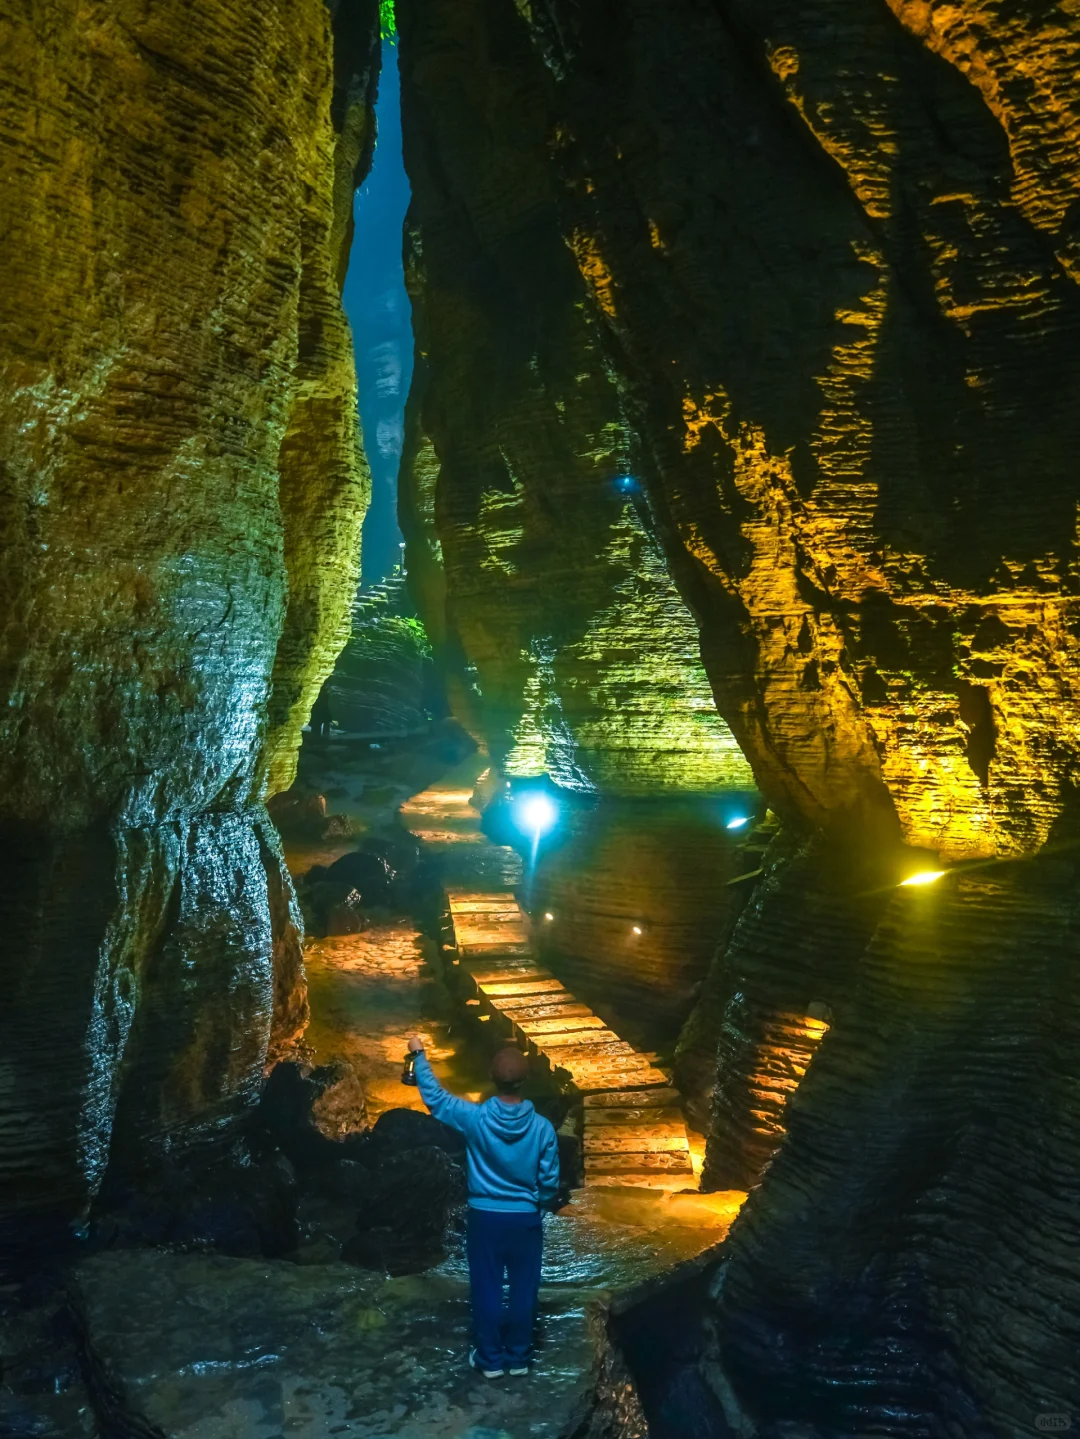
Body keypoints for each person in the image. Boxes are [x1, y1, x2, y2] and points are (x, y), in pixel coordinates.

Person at [407, 1035, 560, 1379]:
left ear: (492, 1078)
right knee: (524, 1288)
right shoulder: (543, 1129)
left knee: (487, 1287)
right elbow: (549, 1181)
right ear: (525, 1079)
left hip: (485, 1219)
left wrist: (419, 1055)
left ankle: (490, 1359)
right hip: (524, 1221)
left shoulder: (475, 1119)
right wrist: (542, 1204)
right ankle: (519, 1357)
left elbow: (435, 1098)